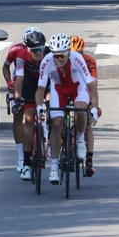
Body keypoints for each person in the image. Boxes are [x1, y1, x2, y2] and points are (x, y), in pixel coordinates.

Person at [34, 33, 99, 185]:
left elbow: (91, 87)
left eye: (62, 56)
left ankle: (80, 138)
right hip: (59, 90)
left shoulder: (77, 58)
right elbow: (40, 90)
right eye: (56, 56)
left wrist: (94, 109)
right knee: (57, 124)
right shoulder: (47, 61)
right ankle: (54, 168)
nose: (59, 60)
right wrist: (38, 107)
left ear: (68, 53)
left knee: (81, 109)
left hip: (77, 88)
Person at [1, 27, 48, 181]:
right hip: (26, 84)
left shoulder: (49, 55)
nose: (38, 53)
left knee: (56, 112)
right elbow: (18, 80)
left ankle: (48, 134)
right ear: (27, 48)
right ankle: (24, 159)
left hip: (44, 83)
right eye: (34, 50)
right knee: (25, 118)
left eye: (40, 49)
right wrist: (16, 95)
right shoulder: (19, 53)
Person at [70, 35, 101, 177]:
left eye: (80, 54)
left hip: (84, 91)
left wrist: (93, 107)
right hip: (67, 90)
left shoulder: (89, 62)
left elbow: (93, 86)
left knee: (87, 123)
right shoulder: (63, 59)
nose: (78, 57)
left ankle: (89, 161)